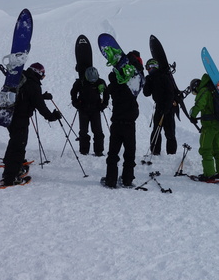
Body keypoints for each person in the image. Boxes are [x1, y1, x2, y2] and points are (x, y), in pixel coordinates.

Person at [1, 62, 61, 187]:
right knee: (19, 146)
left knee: (14, 142)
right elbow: (40, 106)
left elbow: (26, 95)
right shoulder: (33, 85)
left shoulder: (21, 78)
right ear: (38, 73)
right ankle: (11, 177)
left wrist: (41, 96)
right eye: (43, 75)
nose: (43, 78)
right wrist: (52, 117)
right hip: (20, 119)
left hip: (9, 116)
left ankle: (10, 167)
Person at [102, 51, 143, 188]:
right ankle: (127, 180)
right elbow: (140, 78)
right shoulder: (132, 87)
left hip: (117, 123)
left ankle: (111, 180)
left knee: (113, 154)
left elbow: (112, 80)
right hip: (129, 124)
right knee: (129, 154)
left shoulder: (114, 86)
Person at [189, 74, 219, 181]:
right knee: (217, 149)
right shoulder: (215, 90)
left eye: (194, 91)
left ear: (196, 86)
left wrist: (192, 115)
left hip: (209, 126)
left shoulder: (204, 91)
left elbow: (199, 104)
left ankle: (209, 174)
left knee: (205, 149)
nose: (195, 93)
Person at [70, 66, 109, 156]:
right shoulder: (80, 82)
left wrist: (104, 105)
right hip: (83, 109)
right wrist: (76, 104)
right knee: (83, 131)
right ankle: (84, 150)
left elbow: (106, 94)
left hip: (96, 109)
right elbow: (73, 93)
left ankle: (98, 151)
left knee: (98, 131)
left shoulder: (100, 82)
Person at [142, 58, 177, 155]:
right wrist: (147, 82)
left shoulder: (164, 77)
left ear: (154, 67)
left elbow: (170, 93)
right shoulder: (151, 78)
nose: (148, 70)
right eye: (147, 68)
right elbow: (146, 93)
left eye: (149, 67)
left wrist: (167, 107)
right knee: (156, 129)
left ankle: (171, 153)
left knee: (169, 131)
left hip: (168, 108)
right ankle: (155, 151)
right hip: (158, 106)